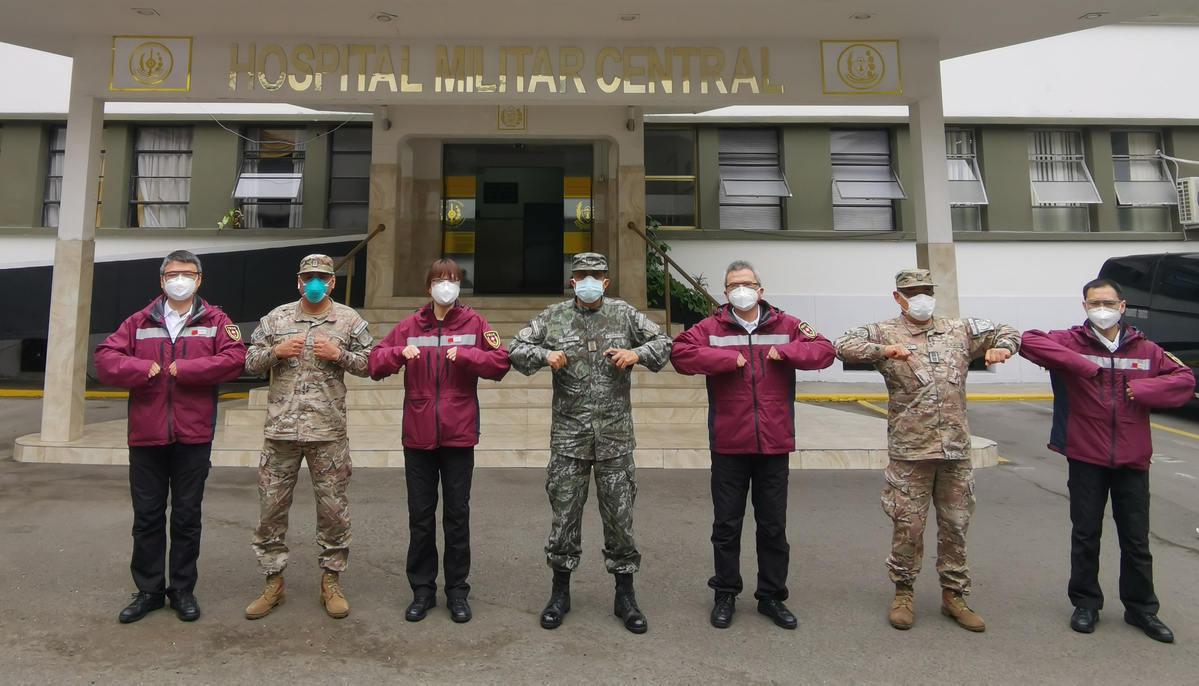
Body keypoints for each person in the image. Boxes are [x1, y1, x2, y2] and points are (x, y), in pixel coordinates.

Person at [833, 269, 1019, 633]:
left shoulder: (959, 329)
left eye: (926, 291)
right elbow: (841, 345)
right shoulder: (884, 331)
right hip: (910, 451)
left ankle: (954, 596)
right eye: (912, 292)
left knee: (956, 525)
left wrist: (1003, 347)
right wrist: (883, 351)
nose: (921, 298)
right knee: (909, 526)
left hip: (955, 451)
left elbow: (1007, 331)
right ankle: (903, 592)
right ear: (898, 297)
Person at [1020, 278, 1195, 643]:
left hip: (1132, 458)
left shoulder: (1147, 349)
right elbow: (1029, 341)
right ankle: (1086, 604)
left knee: (1136, 539)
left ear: (1122, 306)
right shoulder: (1070, 341)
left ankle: (1141, 609)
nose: (1102, 309)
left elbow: (1184, 379)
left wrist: (1143, 388)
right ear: (1085, 306)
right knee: (1086, 534)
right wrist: (1082, 366)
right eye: (1094, 303)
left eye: (1109, 303)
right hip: (1086, 455)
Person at [509, 252, 672, 634]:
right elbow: (515, 349)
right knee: (564, 519)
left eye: (596, 276)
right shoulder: (553, 317)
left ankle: (625, 595)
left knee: (620, 520)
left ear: (606, 282)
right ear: (572, 281)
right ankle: (560, 593)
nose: (588, 281)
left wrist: (637, 353)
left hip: (615, 439)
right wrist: (545, 354)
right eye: (582, 275)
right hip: (570, 439)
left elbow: (664, 342)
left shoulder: (624, 315)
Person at [671, 260, 836, 630]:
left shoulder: (787, 325)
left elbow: (824, 350)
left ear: (760, 290)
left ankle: (771, 596)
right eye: (734, 285)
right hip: (729, 444)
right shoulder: (711, 327)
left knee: (773, 526)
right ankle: (725, 593)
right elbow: (679, 353)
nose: (741, 290)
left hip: (774, 444)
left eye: (747, 284)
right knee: (726, 526)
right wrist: (725, 359)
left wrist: (789, 352)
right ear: (725, 292)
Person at [94, 250, 247, 624]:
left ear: (199, 279)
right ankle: (148, 591)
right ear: (162, 280)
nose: (180, 280)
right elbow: (104, 359)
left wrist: (189, 369)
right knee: (146, 517)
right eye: (173, 274)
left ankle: (181, 589)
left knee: (186, 516)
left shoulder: (215, 320)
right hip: (146, 436)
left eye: (188, 274)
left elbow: (235, 359)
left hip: (193, 436)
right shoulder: (139, 321)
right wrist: (138, 367)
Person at [368, 259, 510, 624]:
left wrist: (468, 355)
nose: (446, 285)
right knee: (421, 518)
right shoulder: (410, 325)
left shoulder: (474, 323)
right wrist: (398, 353)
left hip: (459, 435)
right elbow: (374, 363)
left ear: (460, 285)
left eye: (452, 279)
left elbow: (500, 363)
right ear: (428, 286)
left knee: (457, 517)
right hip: (418, 436)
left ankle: (457, 592)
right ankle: (422, 591)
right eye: (439, 280)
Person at [242, 254, 373, 620]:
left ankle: (331, 580)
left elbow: (372, 364)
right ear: (298, 280)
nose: (315, 282)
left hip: (327, 432)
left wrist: (340, 354)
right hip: (281, 432)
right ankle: (273, 581)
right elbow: (249, 361)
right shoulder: (277, 318)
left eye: (322, 277)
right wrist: (275, 352)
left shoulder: (349, 320)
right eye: (308, 276)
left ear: (332, 282)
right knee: (271, 510)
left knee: (333, 512)